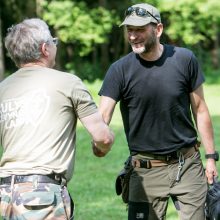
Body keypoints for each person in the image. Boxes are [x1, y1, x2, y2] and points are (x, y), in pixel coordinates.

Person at [98, 3, 219, 220]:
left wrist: (210, 157)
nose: (133, 36)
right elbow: (103, 115)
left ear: (158, 29)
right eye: (130, 30)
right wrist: (99, 139)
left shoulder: (184, 59)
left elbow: (200, 110)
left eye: (140, 30)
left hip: (187, 165)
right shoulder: (119, 70)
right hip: (145, 170)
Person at [0, 18, 114, 220]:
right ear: (45, 49)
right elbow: (102, 138)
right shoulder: (68, 83)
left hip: (5, 195)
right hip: (40, 195)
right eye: (53, 41)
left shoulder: (4, 88)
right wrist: (103, 147)